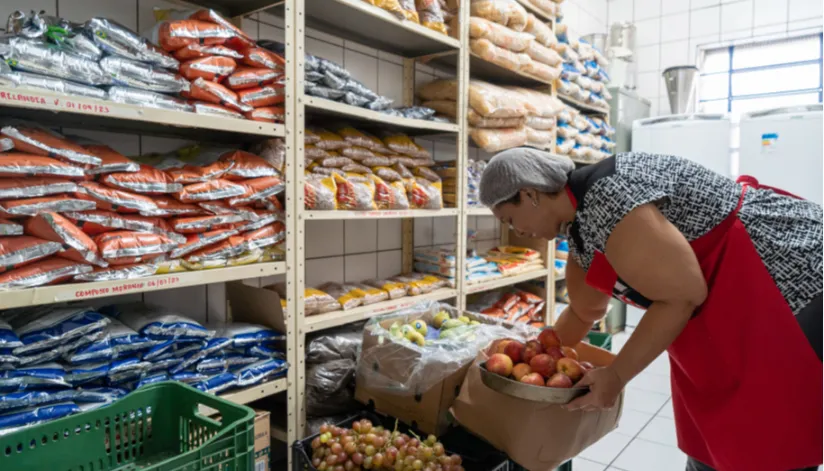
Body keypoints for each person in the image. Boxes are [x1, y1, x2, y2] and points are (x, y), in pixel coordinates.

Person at [478, 148, 823, 471]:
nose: (518, 231)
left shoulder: (607, 197)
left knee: (769, 429)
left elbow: (681, 295)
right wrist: (527, 362)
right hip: (723, 306)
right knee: (717, 437)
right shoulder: (580, 225)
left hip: (782, 276)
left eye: (510, 219)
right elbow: (585, 311)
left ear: (529, 194)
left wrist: (615, 376)